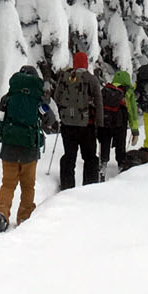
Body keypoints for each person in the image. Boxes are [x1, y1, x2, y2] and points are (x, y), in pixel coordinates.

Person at [0, 64, 60, 231]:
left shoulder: (9, 97)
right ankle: (25, 217)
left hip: (9, 149)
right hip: (29, 149)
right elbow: (50, 120)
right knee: (28, 186)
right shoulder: (38, 99)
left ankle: (1, 213)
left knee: (8, 184)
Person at [51, 50, 105, 190]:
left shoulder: (66, 77)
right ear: (86, 63)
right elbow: (99, 103)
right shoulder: (91, 79)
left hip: (68, 125)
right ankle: (89, 186)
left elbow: (56, 98)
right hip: (87, 125)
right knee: (90, 157)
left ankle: (67, 186)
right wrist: (100, 124)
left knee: (69, 156)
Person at [98, 66, 139, 173]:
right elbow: (132, 112)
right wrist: (135, 131)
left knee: (105, 143)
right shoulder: (128, 92)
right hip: (120, 124)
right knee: (120, 145)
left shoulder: (106, 90)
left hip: (105, 123)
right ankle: (121, 166)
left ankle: (103, 164)